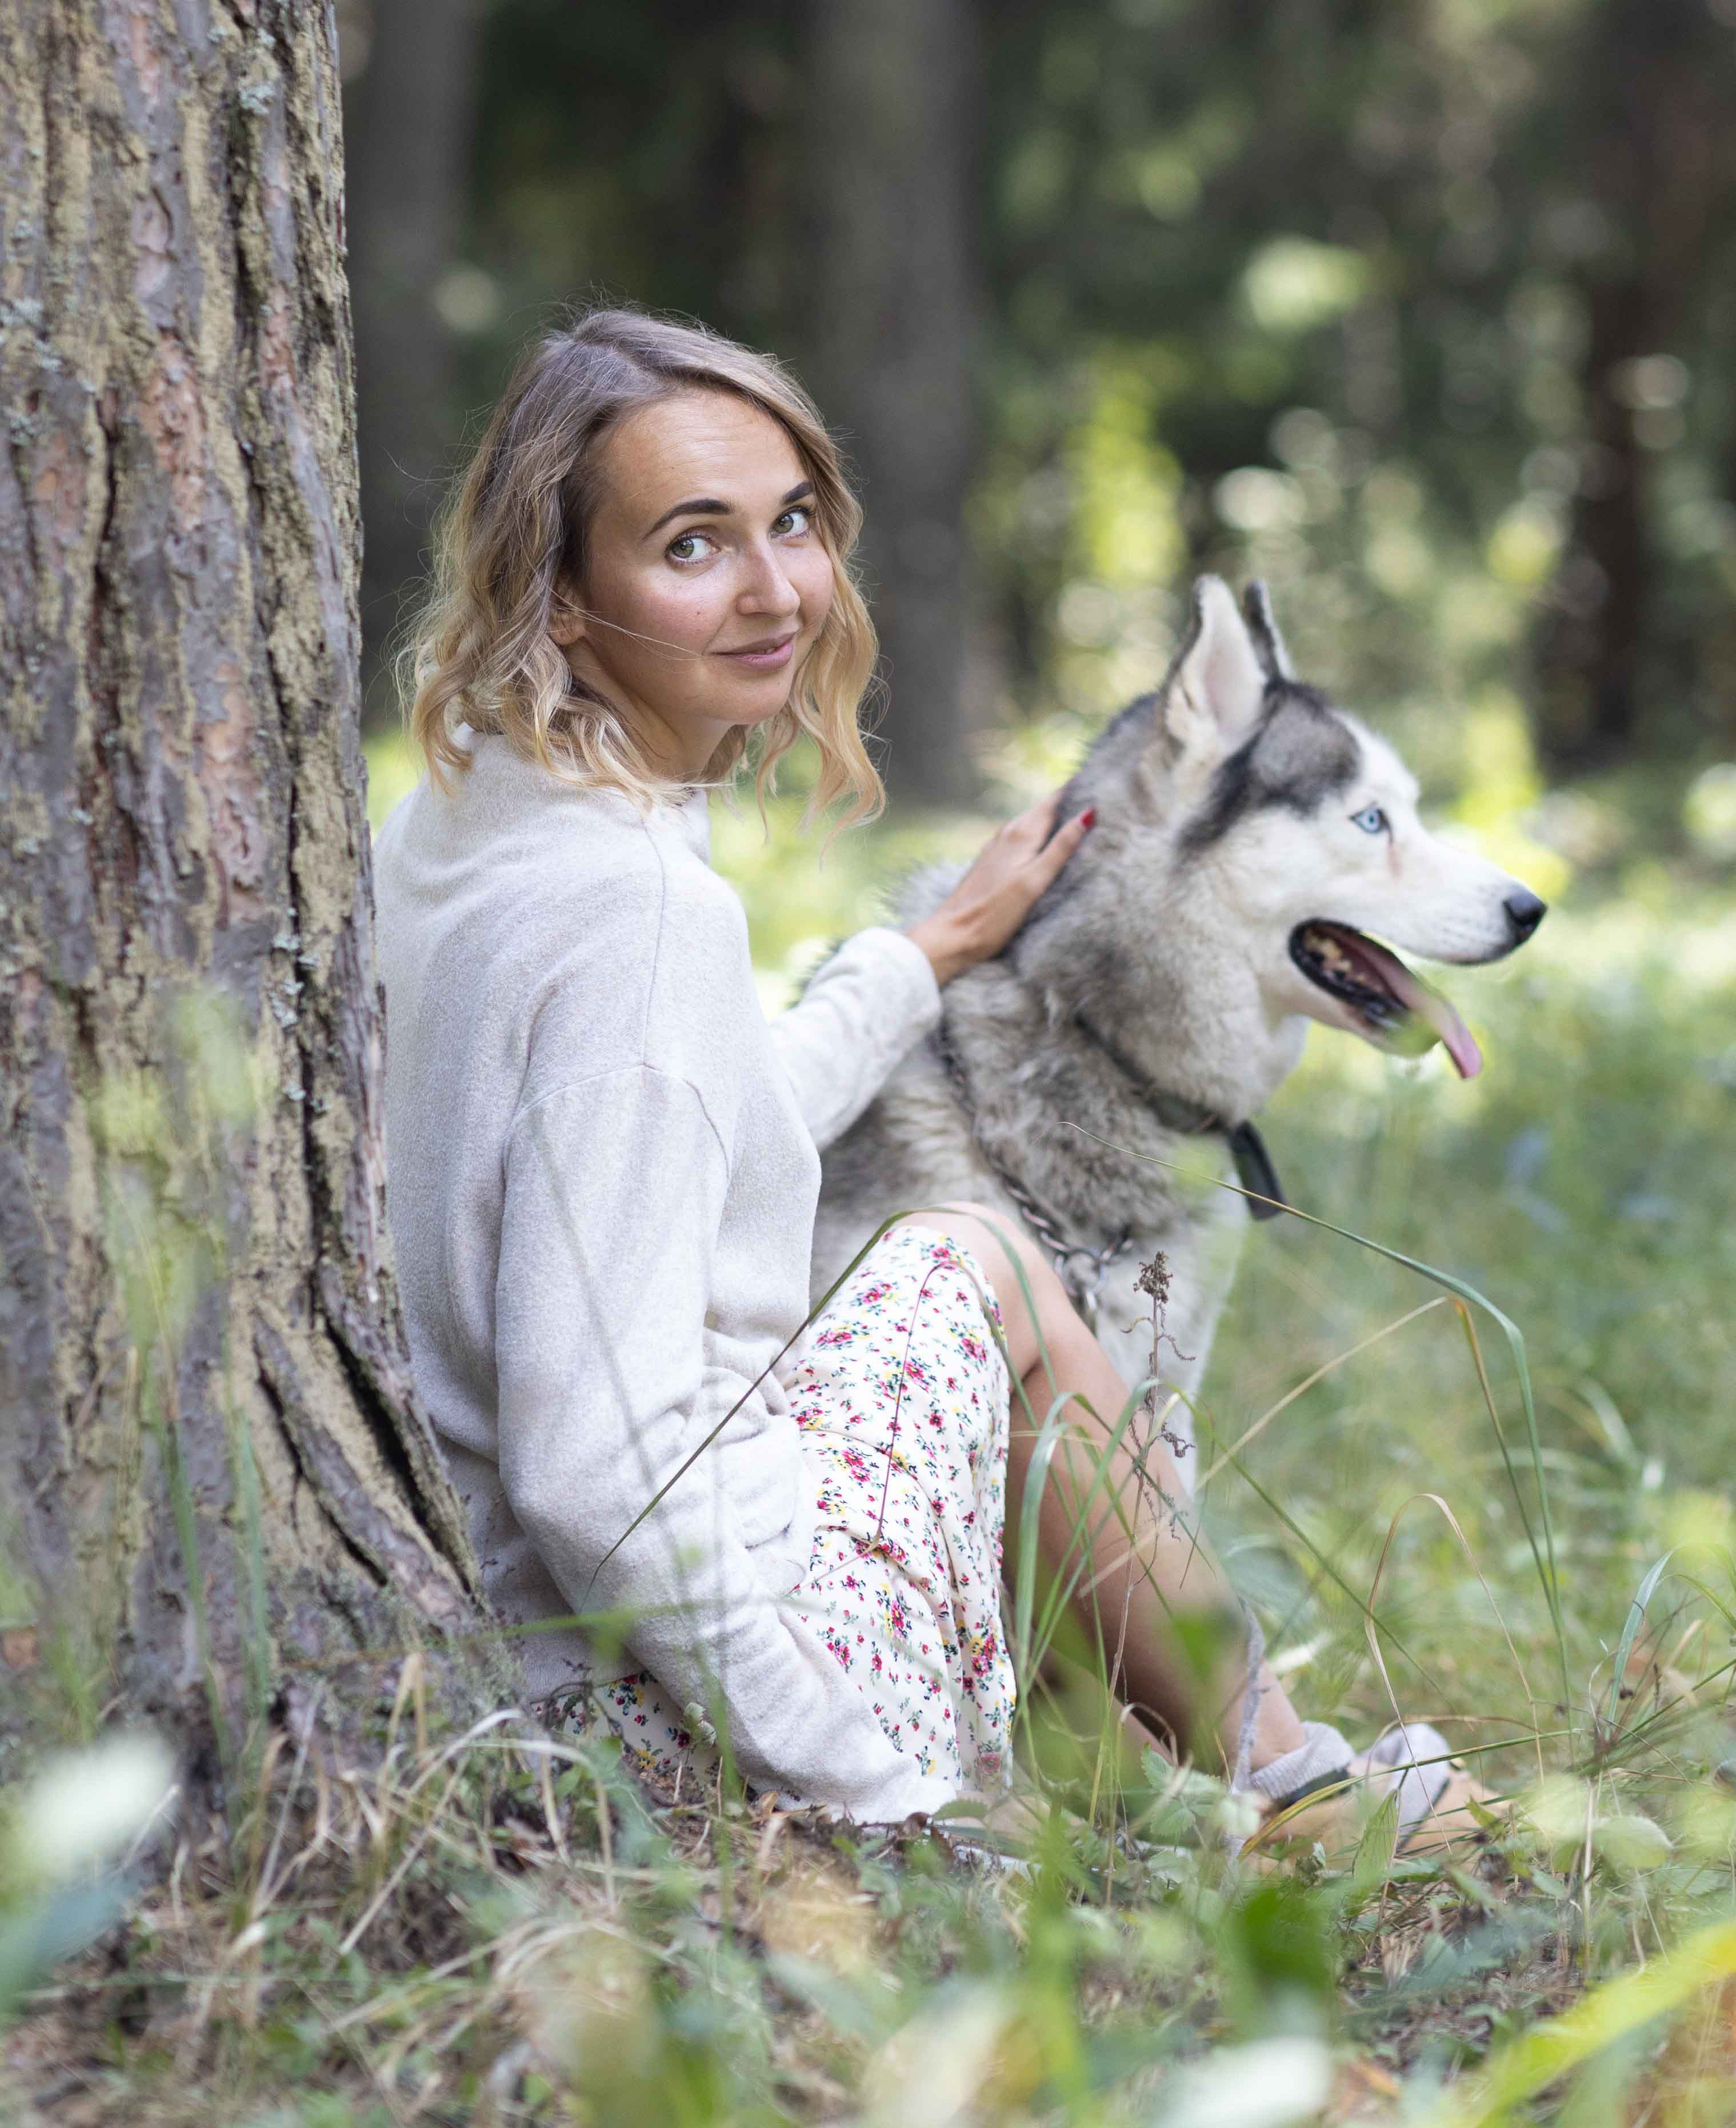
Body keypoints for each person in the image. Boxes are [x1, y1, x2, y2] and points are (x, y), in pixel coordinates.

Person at [372, 307, 1486, 1857]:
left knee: (959, 1268)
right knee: (987, 1269)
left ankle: (1229, 1763)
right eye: (692, 547)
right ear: (559, 600)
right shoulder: (636, 913)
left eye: (792, 523)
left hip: (497, 1628)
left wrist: (926, 952)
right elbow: (595, 1476)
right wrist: (884, 1800)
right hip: (637, 1695)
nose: (777, 593)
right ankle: (1284, 1782)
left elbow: (674, 1114)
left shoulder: (457, 821)